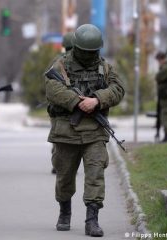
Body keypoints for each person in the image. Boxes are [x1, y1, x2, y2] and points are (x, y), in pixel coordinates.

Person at [45, 24, 125, 237]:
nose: (90, 55)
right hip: (66, 131)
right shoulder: (61, 65)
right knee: (64, 177)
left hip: (95, 132)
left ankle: (92, 219)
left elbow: (118, 89)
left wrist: (97, 100)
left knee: (95, 174)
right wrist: (77, 102)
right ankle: (64, 212)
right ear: (77, 48)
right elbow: (52, 89)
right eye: (86, 51)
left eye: (94, 52)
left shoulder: (104, 67)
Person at [51, 31, 75, 174]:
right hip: (76, 105)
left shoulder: (56, 60)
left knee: (57, 135)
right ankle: (69, 165)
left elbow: (48, 82)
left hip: (57, 107)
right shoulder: (81, 62)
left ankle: (57, 164)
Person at [153, 51, 167, 141]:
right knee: (159, 114)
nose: (158, 62)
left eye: (159, 60)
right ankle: (157, 132)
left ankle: (165, 134)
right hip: (161, 94)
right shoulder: (162, 67)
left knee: (164, 115)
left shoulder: (165, 67)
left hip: (165, 95)